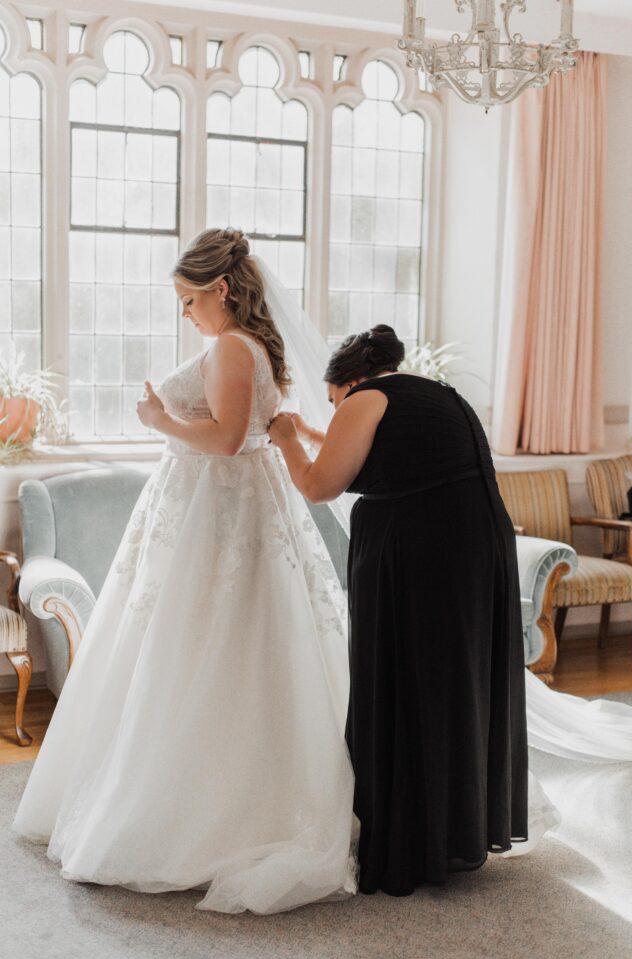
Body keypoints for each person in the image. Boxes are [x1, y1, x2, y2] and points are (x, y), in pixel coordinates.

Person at [12, 228, 357, 916]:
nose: (183, 311)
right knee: (221, 645)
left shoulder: (232, 346)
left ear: (221, 289)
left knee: (200, 645)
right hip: (223, 507)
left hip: (218, 509)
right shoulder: (247, 345)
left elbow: (229, 439)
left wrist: (157, 418)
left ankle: (199, 812)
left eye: (188, 298)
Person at [269, 324, 529, 895]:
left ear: (350, 383)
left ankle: (413, 836)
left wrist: (287, 437)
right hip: (477, 547)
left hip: (422, 554)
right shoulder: (436, 394)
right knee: (454, 685)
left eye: (334, 403)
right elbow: (379, 457)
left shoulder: (364, 400)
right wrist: (323, 429)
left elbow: (319, 486)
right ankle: (456, 829)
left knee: (407, 684)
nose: (338, 412)